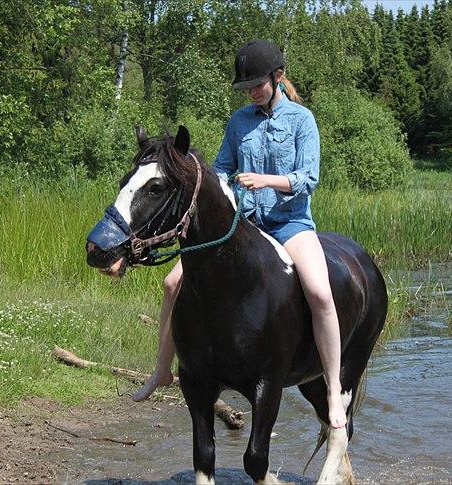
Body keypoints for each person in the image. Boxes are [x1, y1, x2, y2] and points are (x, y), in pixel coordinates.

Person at [132, 39, 347, 430]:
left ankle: (333, 388)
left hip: (289, 224)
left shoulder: (302, 120)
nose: (250, 91)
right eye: (245, 86)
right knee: (172, 281)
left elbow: (308, 178)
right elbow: (222, 170)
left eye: (256, 84)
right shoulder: (239, 122)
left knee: (319, 292)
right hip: (244, 226)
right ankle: (162, 370)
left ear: (277, 78)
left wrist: (267, 180)